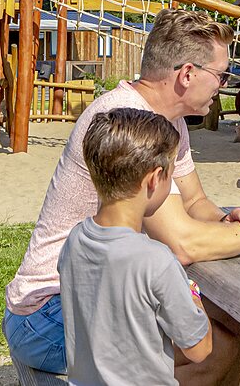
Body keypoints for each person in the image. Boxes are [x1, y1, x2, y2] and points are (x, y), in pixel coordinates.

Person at [5, 9, 240, 382]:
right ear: (187, 74)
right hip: (48, 312)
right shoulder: (129, 123)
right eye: (221, 75)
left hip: (88, 292)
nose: (222, 85)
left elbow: (195, 203)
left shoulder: (165, 120)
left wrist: (232, 220)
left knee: (235, 321)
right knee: (214, 348)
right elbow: (182, 243)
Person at [60, 108, 212, 385]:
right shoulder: (156, 261)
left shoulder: (75, 240)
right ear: (154, 179)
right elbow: (199, 349)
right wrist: (193, 296)